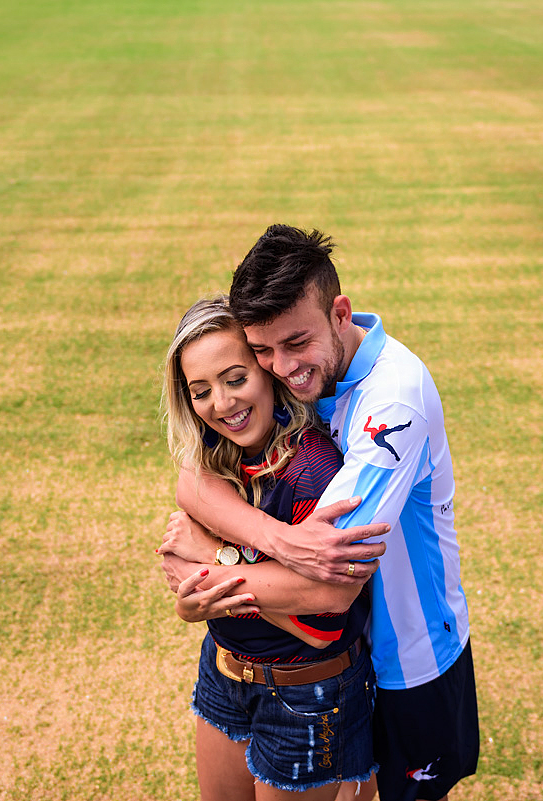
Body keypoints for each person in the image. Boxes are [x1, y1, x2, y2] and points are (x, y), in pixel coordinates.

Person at [161, 226, 479, 801]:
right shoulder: (304, 389)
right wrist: (274, 539)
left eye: (296, 343)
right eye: (263, 351)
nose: (282, 367)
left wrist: (208, 561)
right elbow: (195, 479)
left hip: (406, 653)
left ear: (340, 313)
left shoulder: (392, 405)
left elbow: (328, 592)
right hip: (336, 652)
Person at [160, 295, 378, 801]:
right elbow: (186, 573)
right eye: (200, 391)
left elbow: (322, 623)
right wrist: (190, 604)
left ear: (266, 370)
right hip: (222, 670)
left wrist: (214, 560)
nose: (222, 404)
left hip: (306, 692)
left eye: (235, 379)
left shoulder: (316, 469)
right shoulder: (216, 457)